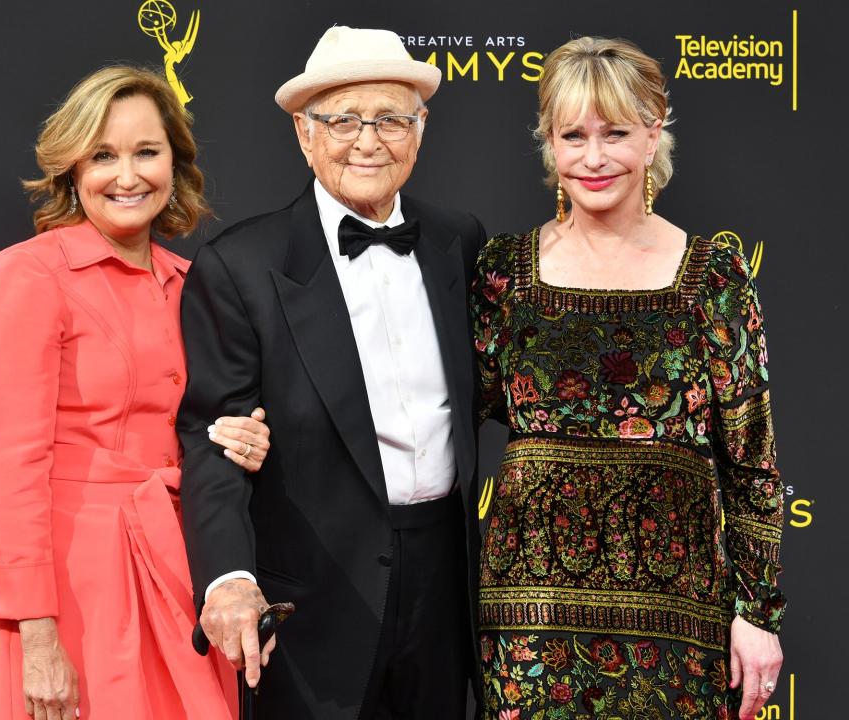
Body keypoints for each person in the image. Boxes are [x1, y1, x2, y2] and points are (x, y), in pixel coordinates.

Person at [471, 37, 785, 720]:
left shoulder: (715, 280)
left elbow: (753, 466)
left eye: (614, 133)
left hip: (681, 621)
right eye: (572, 135)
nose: (592, 156)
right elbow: (434, 411)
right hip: (530, 623)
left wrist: (756, 615)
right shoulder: (502, 273)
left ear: (652, 135)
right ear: (548, 145)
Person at [178, 26, 486, 720]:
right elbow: (213, 440)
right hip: (314, 595)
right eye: (342, 120)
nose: (367, 141)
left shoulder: (458, 242)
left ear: (421, 127)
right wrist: (227, 577)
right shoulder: (240, 267)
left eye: (390, 119)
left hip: (445, 584)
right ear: (303, 132)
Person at [0, 66, 272, 720]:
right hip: (75, 589)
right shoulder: (29, 276)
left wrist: (240, 438)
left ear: (176, 163)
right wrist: (37, 634)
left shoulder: (195, 283)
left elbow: (203, 427)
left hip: (180, 569)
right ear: (71, 170)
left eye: (146, 152)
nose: (127, 175)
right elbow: (6, 469)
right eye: (103, 155)